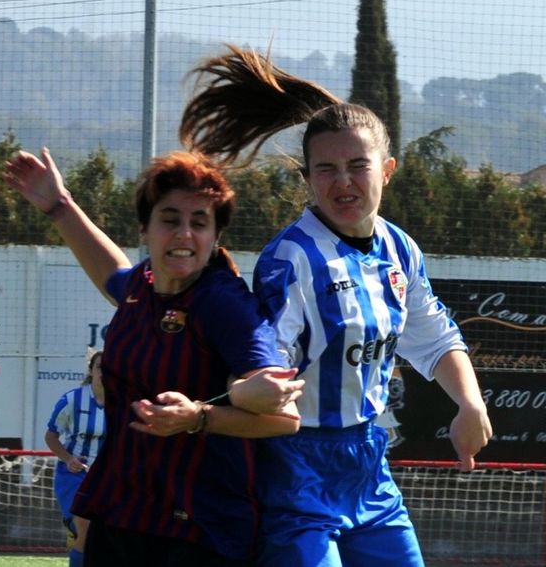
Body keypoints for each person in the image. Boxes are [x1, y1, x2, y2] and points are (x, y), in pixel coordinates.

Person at [180, 45, 493, 567]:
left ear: (387, 170)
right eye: (325, 169)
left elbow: (435, 338)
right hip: (296, 466)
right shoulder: (291, 259)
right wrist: (229, 400)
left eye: (357, 166)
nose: (342, 182)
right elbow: (264, 365)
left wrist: (470, 403)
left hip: (369, 463)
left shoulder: (400, 248)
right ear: (306, 178)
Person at [4, 148, 302, 566]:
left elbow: (284, 418)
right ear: (145, 228)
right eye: (170, 220)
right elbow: (112, 274)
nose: (184, 234)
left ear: (216, 237)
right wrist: (59, 206)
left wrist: (198, 416)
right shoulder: (139, 287)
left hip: (199, 529)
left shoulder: (224, 303)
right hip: (124, 513)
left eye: (200, 223)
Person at [44, 349, 106, 567]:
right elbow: (51, 436)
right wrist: (68, 458)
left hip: (109, 478)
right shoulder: (72, 400)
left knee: (110, 537)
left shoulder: (123, 404)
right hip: (75, 474)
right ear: (91, 371)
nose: (105, 372)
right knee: (86, 530)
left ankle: (74, 534)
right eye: (100, 367)